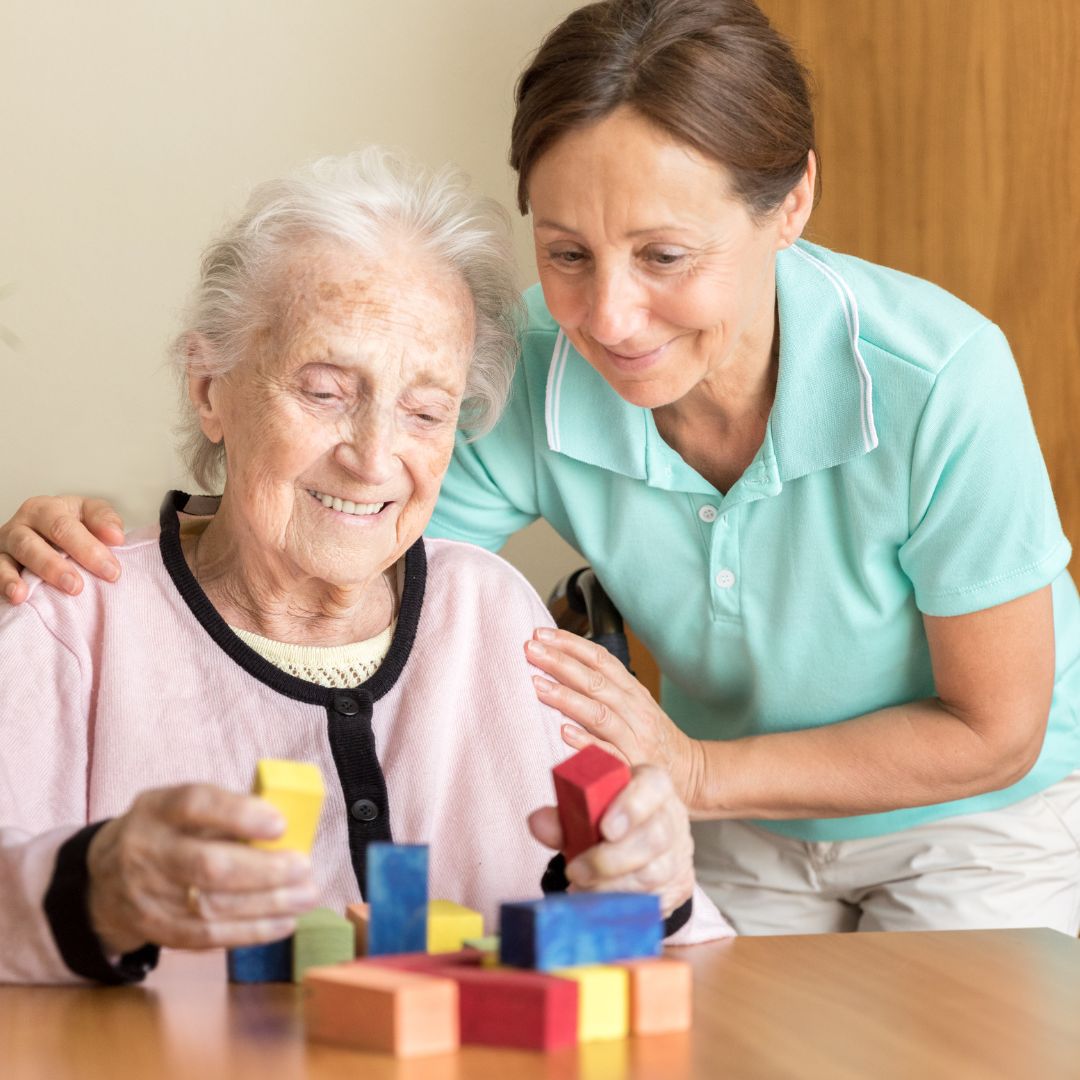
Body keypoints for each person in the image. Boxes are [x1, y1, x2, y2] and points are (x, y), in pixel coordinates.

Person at [4, 0, 1079, 937]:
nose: (608, 318)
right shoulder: (524, 364)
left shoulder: (936, 376)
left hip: (973, 816)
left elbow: (994, 729)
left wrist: (692, 773)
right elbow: (352, 547)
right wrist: (133, 560)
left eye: (663, 255)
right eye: (567, 252)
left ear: (790, 204)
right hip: (736, 819)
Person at [0, 148, 730, 985]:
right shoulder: (72, 611)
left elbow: (667, 956)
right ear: (210, 388)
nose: (375, 458)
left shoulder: (493, 616)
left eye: (426, 410)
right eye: (324, 392)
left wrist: (654, 880)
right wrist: (95, 893)